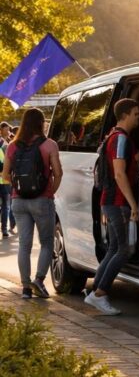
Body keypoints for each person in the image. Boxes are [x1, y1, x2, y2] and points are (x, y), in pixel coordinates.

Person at [85, 99, 139, 316]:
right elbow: (119, 173)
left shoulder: (112, 136)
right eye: (136, 113)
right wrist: (133, 203)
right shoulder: (120, 139)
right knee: (124, 249)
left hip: (108, 201)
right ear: (125, 114)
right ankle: (100, 294)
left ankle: (94, 292)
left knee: (113, 248)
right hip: (117, 202)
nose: (138, 117)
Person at [2, 108, 62, 299]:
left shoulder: (12, 146)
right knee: (46, 243)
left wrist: (19, 188)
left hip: (18, 201)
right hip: (42, 200)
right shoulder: (49, 144)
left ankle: (26, 289)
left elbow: (5, 174)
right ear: (41, 123)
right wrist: (50, 191)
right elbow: (58, 172)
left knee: (24, 245)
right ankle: (39, 280)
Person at [0, 122, 15, 237]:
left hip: (5, 180)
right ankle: (4, 229)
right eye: (6, 129)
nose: (8, 131)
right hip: (4, 180)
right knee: (6, 205)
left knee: (6, 205)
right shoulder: (5, 145)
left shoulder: (7, 143)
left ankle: (6, 228)